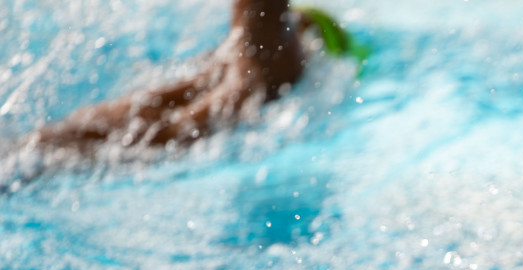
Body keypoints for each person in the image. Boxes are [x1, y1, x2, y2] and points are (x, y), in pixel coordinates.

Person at [14, 0, 348, 162]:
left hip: (263, 46)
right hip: (267, 61)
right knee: (194, 121)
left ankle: (20, 150)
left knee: (176, 101)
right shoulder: (270, 75)